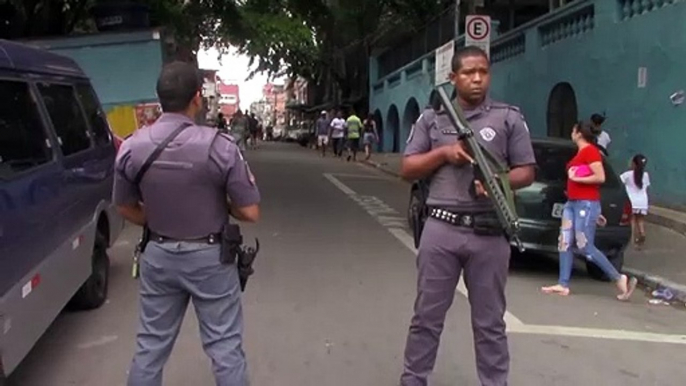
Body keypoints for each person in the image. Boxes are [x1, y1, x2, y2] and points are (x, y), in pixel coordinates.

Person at [113, 61, 260, 386]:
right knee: (225, 348)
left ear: (160, 97)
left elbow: (123, 206)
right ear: (197, 97)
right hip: (211, 260)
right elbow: (250, 212)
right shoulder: (221, 147)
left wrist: (158, 215)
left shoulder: (131, 147)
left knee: (150, 348)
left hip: (158, 255)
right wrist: (218, 204)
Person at [399, 45, 536, 386]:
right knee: (426, 318)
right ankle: (413, 379)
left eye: (483, 72)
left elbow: (528, 171)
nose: (477, 79)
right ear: (453, 77)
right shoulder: (432, 120)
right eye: (468, 73)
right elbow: (408, 167)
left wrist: (498, 184)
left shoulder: (508, 118)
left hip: (489, 232)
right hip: (441, 229)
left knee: (490, 323)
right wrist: (445, 153)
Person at [541, 121, 637, 300]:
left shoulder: (591, 151)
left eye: (573, 130)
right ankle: (563, 283)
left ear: (578, 133)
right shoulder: (581, 153)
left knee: (585, 245)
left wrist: (577, 178)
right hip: (573, 203)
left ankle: (618, 278)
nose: (571, 133)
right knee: (565, 242)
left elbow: (600, 177)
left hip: (585, 203)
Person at [620, 154, 650, 249]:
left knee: (631, 221)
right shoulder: (646, 175)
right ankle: (642, 233)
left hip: (632, 200)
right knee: (640, 220)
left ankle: (632, 240)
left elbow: (619, 182)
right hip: (643, 201)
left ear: (633, 163)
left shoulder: (627, 174)